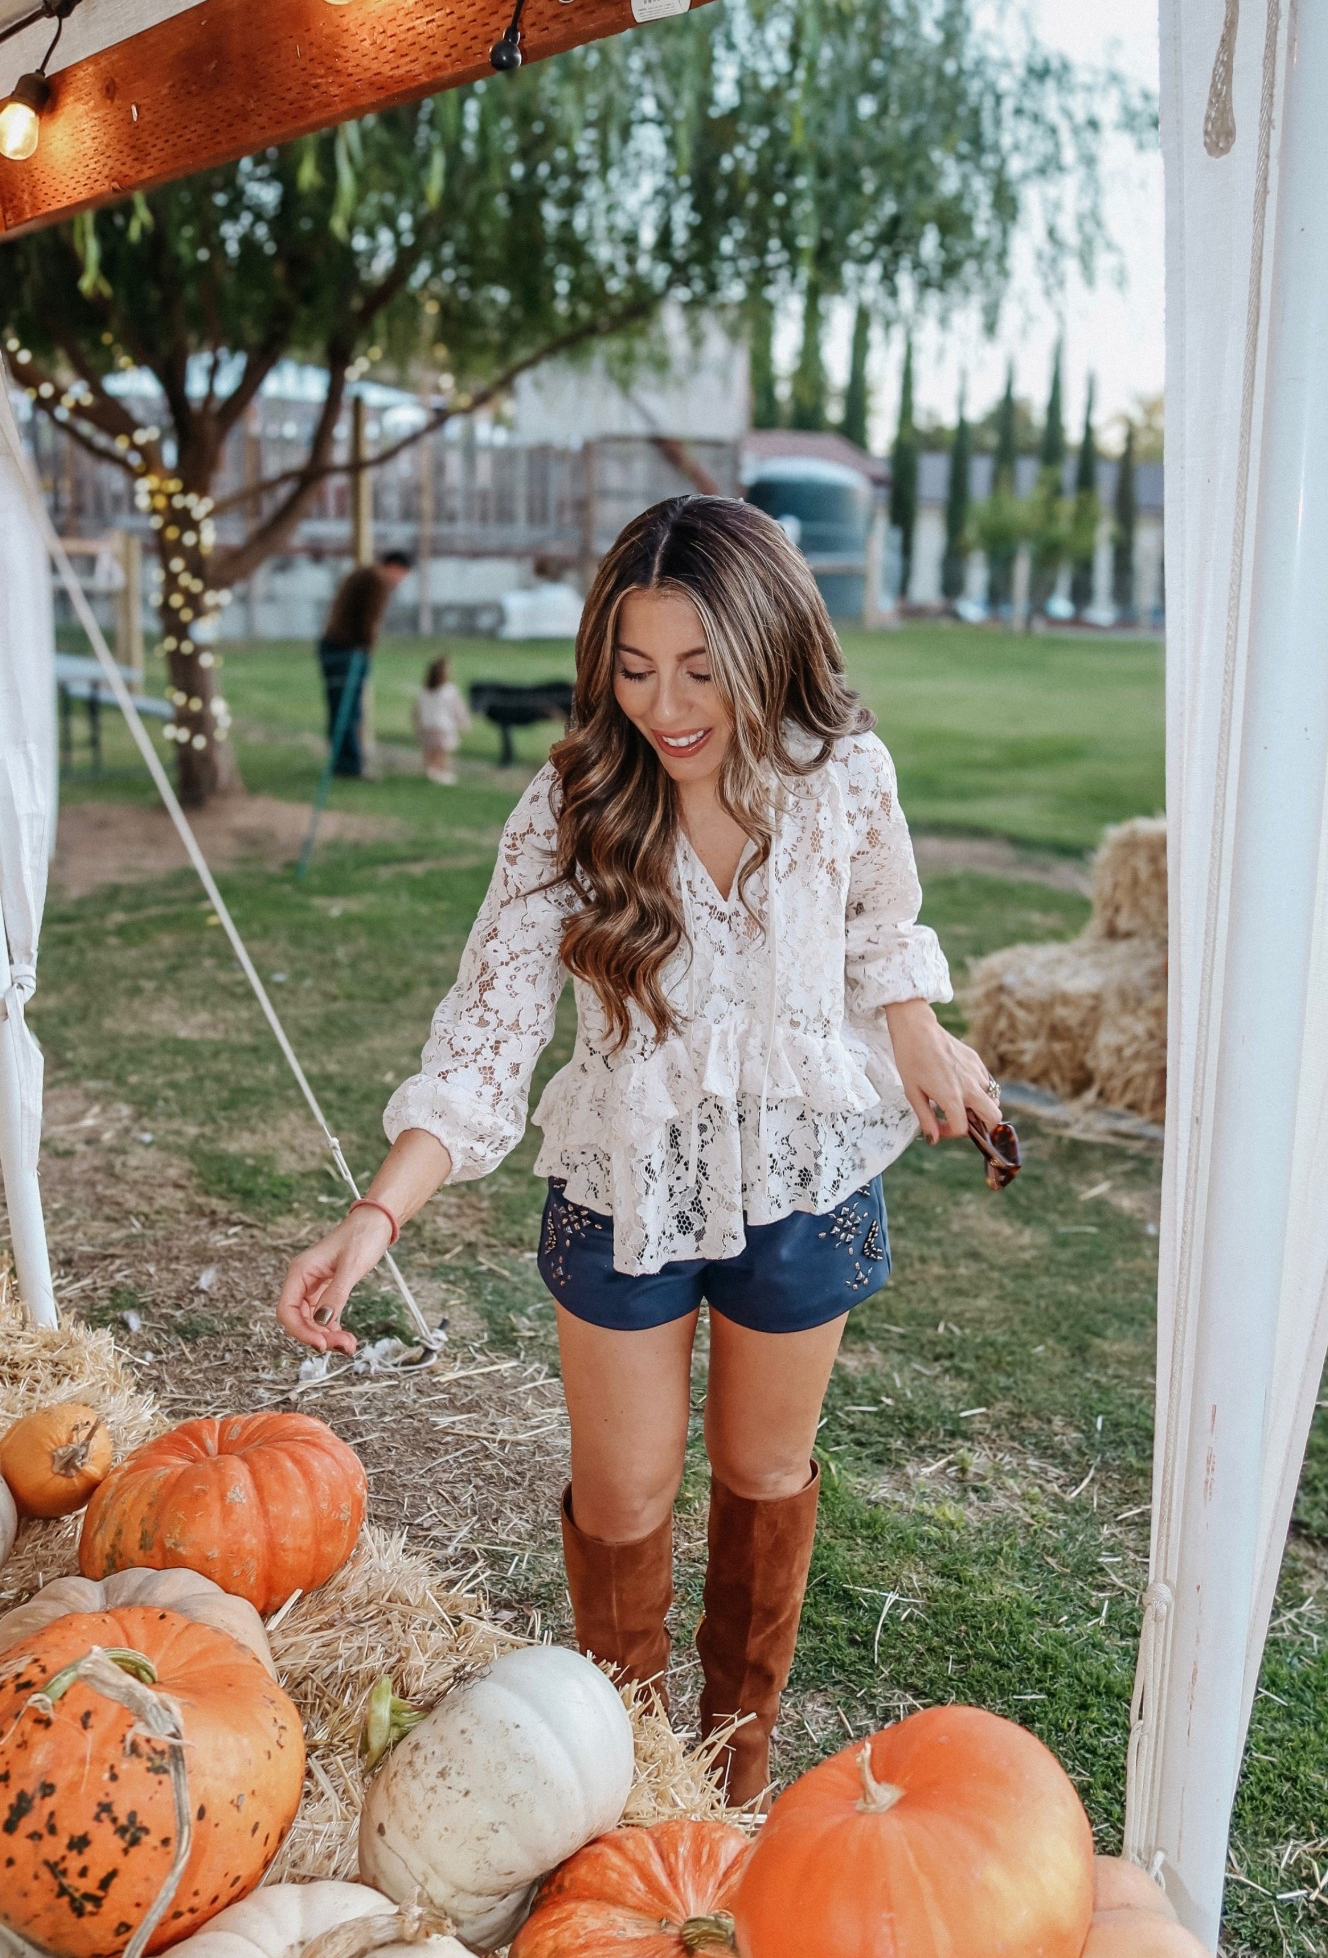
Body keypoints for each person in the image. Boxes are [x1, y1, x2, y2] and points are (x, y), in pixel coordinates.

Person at [277, 496, 1002, 1808]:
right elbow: (488, 1032)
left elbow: (880, 926)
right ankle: (632, 1776)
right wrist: (374, 1217)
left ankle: (729, 1777)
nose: (665, 704)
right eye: (633, 665)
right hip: (626, 1188)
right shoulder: (572, 800)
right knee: (620, 1505)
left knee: (761, 1474)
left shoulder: (844, 775)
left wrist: (919, 1036)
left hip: (802, 1179)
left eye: (701, 670)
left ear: (767, 648)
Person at [317, 550, 412, 779]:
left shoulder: (361, 574)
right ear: (395, 567)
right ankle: (350, 766)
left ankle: (341, 761)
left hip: (332, 646)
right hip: (349, 650)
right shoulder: (377, 580)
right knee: (349, 711)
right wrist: (368, 646)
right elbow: (370, 619)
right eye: (403, 575)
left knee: (339, 709)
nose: (401, 581)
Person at [413, 655, 472, 785]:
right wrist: (464, 723)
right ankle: (442, 777)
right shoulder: (450, 691)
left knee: (429, 755)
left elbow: (417, 710)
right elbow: (458, 709)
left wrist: (417, 724)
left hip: (427, 728)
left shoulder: (425, 691)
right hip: (443, 730)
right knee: (442, 757)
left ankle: (430, 774)